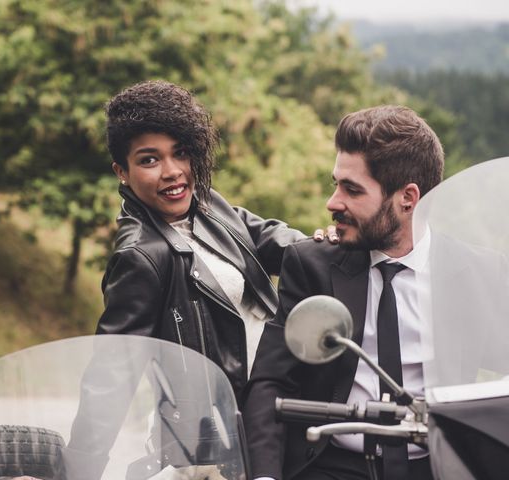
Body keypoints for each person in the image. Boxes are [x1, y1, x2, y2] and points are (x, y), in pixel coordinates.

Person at [95, 79, 334, 403]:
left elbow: (270, 238)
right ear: (121, 171)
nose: (172, 171)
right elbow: (112, 373)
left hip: (276, 402)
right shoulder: (140, 257)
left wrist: (327, 242)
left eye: (180, 153)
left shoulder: (207, 205)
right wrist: (83, 453)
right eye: (149, 159)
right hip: (217, 430)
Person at [243, 105, 444, 480]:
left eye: (351, 190)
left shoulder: (468, 273)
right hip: (333, 462)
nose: (333, 203)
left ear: (408, 198)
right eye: (335, 183)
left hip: (439, 466)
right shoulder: (312, 265)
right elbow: (271, 381)